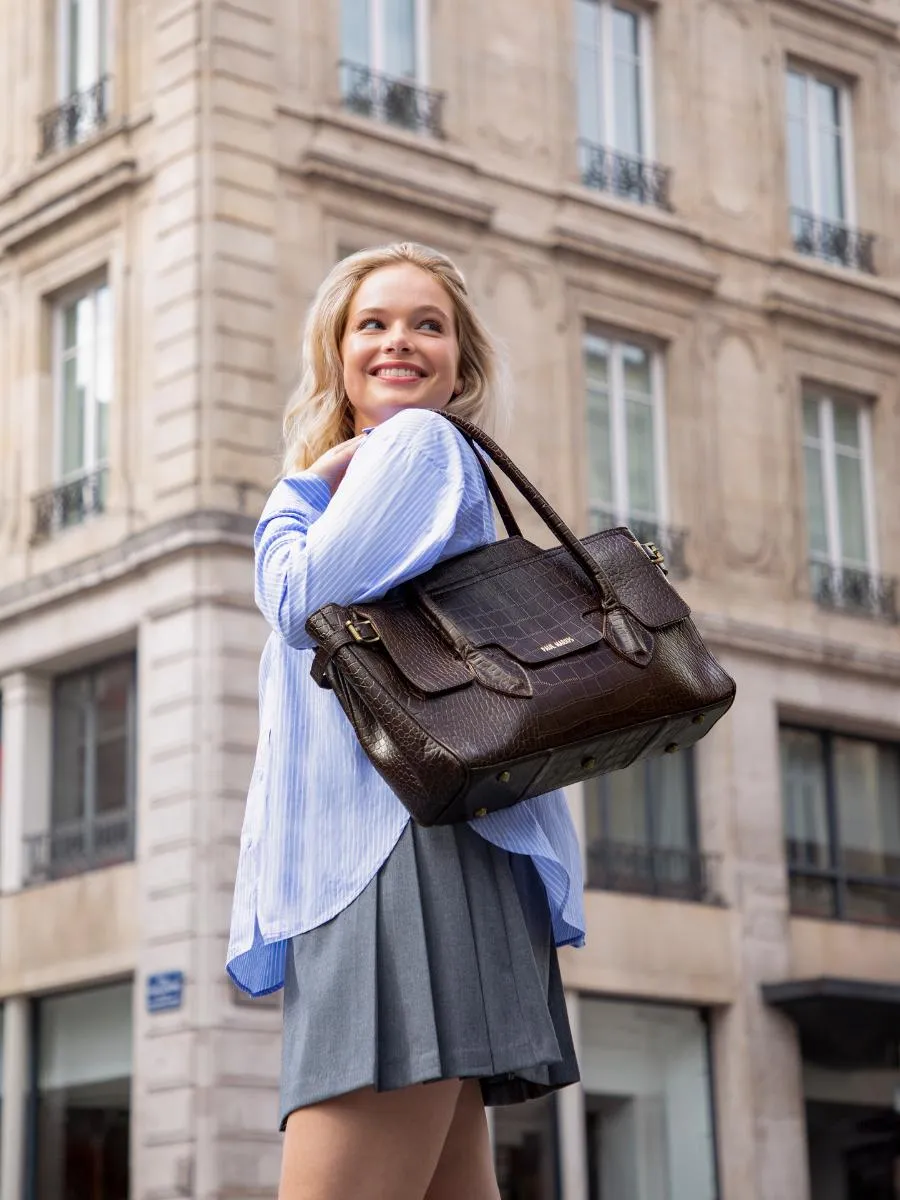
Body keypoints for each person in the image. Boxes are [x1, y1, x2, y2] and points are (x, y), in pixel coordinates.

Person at [227, 242, 586, 1200]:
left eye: (429, 325)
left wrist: (296, 491)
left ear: (461, 363)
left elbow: (298, 598)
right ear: (336, 352)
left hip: (395, 860)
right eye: (373, 324)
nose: (400, 342)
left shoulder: (416, 447)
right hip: (423, 855)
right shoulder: (374, 477)